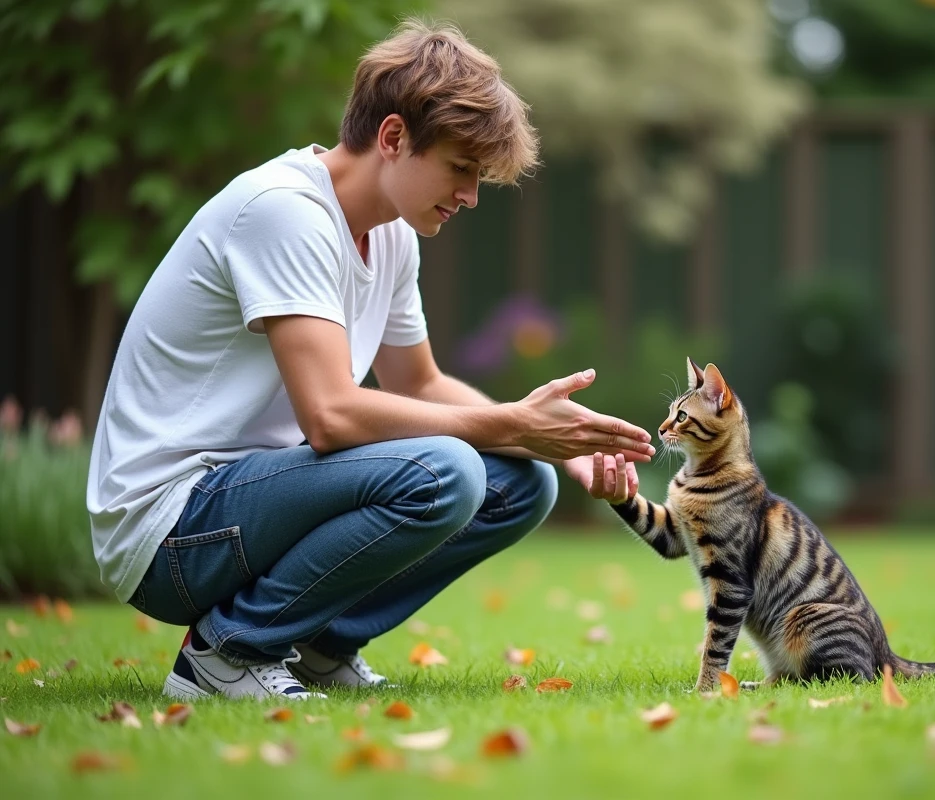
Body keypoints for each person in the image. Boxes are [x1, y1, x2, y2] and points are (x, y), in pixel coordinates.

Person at [86, 19, 648, 701]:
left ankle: (319, 644)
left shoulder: (390, 237)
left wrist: (561, 447)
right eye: (461, 168)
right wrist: (508, 424)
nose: (471, 196)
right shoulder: (284, 212)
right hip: (170, 531)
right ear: (392, 138)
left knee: (522, 484)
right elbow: (329, 417)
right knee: (444, 471)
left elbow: (422, 383)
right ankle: (226, 654)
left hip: (246, 502)